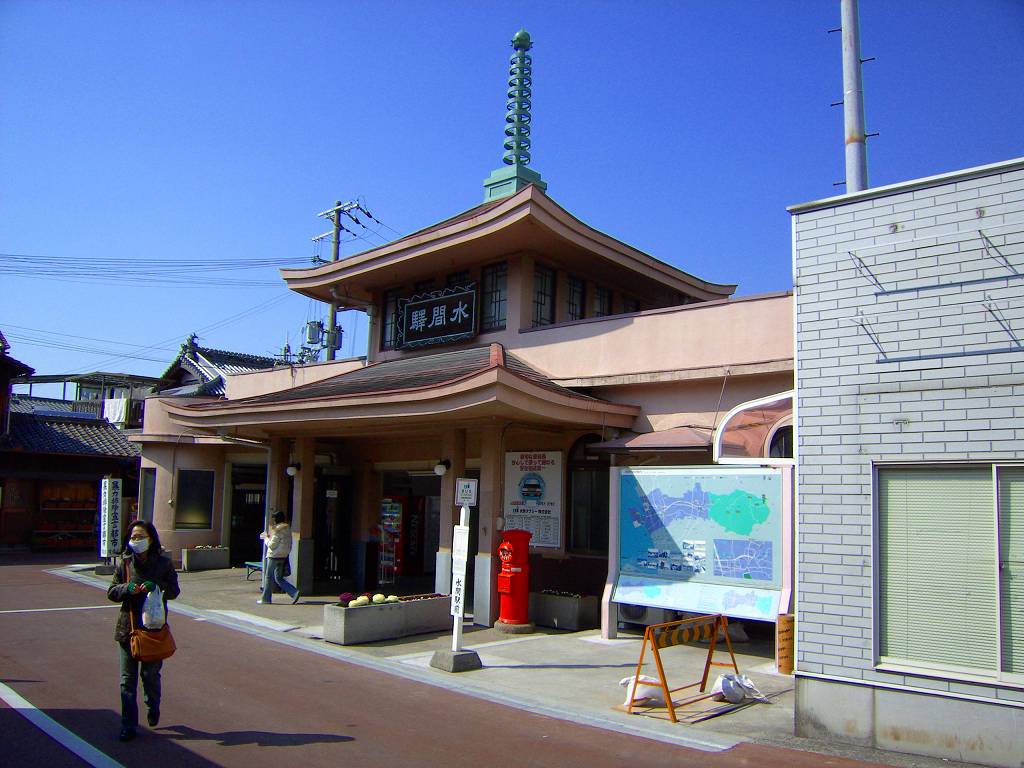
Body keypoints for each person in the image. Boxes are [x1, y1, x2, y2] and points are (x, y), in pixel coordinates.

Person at [107, 519, 180, 742]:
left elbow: (174, 590)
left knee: (150, 676)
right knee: (126, 680)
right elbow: (111, 591)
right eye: (133, 537)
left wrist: (157, 587)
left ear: (150, 539)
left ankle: (153, 705)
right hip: (127, 629)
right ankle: (128, 724)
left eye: (140, 536)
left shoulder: (163, 564)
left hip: (153, 629)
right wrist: (126, 588)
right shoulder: (125, 564)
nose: (136, 540)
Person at [258, 511, 301, 605]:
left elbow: (272, 545)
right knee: (278, 578)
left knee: (269, 577)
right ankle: (294, 592)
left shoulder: (277, 530)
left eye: (273, 519)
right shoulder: (287, 529)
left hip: (273, 556)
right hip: (283, 556)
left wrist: (265, 538)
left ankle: (266, 599)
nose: (272, 521)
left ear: (276, 519)